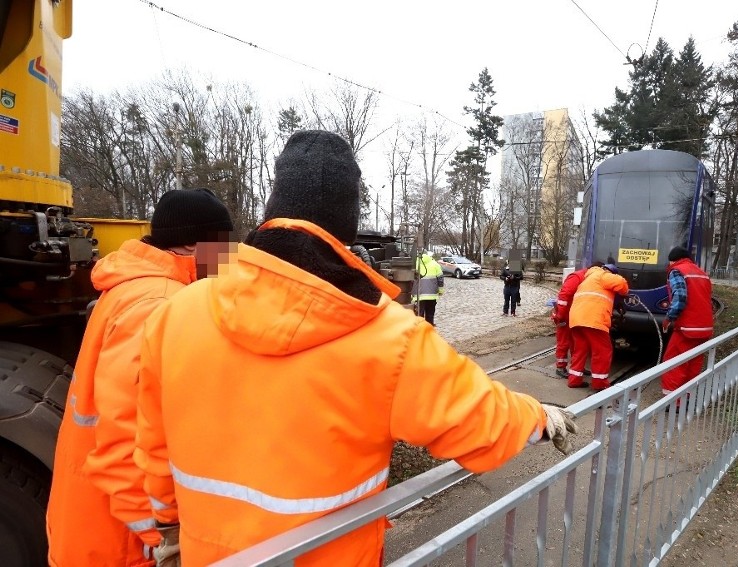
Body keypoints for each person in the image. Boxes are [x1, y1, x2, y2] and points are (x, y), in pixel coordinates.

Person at [134, 130, 577, 566]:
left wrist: (171, 530)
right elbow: (477, 418)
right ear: (349, 218)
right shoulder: (390, 336)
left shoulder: (176, 314)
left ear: (274, 205)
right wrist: (538, 416)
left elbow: (155, 446)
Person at [46, 189, 234, 567]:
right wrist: (163, 541)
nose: (228, 262)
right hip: (121, 543)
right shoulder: (157, 305)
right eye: (224, 249)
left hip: (94, 521)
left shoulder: (133, 287)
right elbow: (123, 444)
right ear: (194, 246)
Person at [660, 246, 714, 398]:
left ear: (672, 260)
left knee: (674, 362)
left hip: (687, 327)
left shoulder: (677, 271)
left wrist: (669, 318)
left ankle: (672, 400)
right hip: (705, 327)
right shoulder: (701, 272)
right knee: (693, 363)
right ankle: (686, 397)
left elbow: (680, 298)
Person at [567, 263, 629, 391]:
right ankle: (600, 383)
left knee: (580, 350)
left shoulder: (588, 279)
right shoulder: (603, 275)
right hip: (593, 320)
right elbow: (621, 284)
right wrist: (625, 292)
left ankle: (574, 380)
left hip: (576, 319)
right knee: (602, 351)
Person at [552, 262, 603, 384]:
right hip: (565, 315)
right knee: (564, 342)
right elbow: (564, 296)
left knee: (577, 343)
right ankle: (560, 367)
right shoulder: (577, 277)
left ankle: (577, 367)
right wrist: (560, 316)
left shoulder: (588, 278)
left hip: (576, 315)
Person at [411, 250, 444, 325]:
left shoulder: (415, 264)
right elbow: (440, 279)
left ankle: (420, 330)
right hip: (432, 295)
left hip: (418, 295)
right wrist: (440, 291)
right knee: (430, 314)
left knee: (419, 315)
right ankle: (429, 329)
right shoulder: (435, 264)